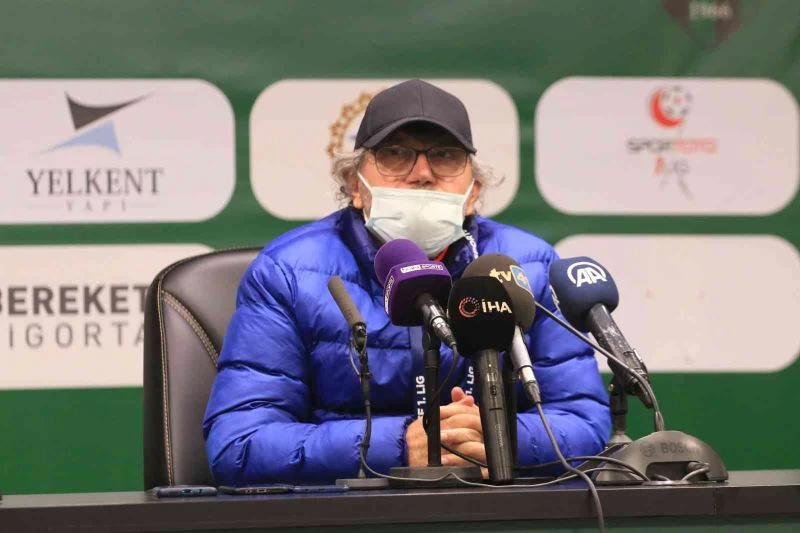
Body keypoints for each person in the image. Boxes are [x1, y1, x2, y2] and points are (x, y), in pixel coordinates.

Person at [202, 79, 610, 485]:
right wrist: (401, 446)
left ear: (474, 191)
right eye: (394, 154)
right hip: (352, 512)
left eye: (445, 155)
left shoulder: (527, 267)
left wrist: (502, 438)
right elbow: (240, 444)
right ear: (354, 185)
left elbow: (584, 422)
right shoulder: (288, 271)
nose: (422, 173)